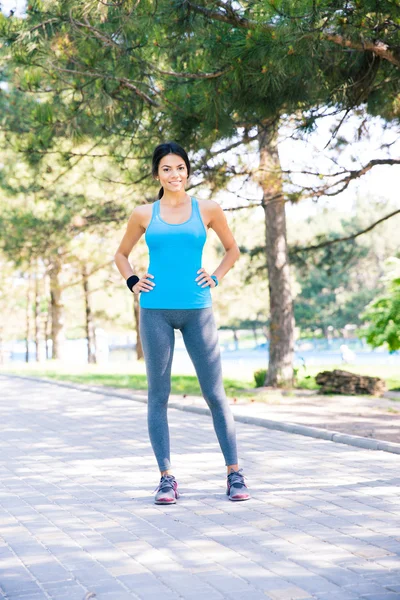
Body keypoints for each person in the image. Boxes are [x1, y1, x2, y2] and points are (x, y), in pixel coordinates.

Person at [114, 141, 250, 504]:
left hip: (197, 309)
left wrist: (216, 276)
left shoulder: (207, 209)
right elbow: (121, 254)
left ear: (188, 171)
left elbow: (232, 249)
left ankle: (235, 474)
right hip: (155, 310)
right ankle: (166, 478)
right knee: (158, 395)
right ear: (157, 174)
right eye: (166, 169)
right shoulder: (144, 213)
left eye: (180, 168)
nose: (174, 175)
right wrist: (133, 282)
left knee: (215, 394)